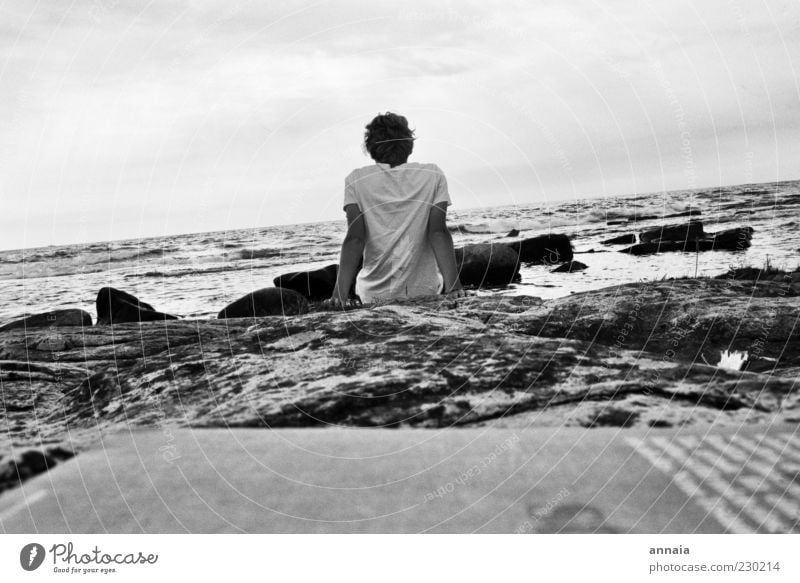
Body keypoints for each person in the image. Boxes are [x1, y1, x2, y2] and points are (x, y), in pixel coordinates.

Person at [327, 112, 464, 307]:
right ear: (409, 145)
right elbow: (437, 232)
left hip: (374, 295)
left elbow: (355, 238)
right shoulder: (432, 174)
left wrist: (339, 295)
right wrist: (454, 286)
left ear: (370, 148)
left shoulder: (356, 180)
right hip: (424, 290)